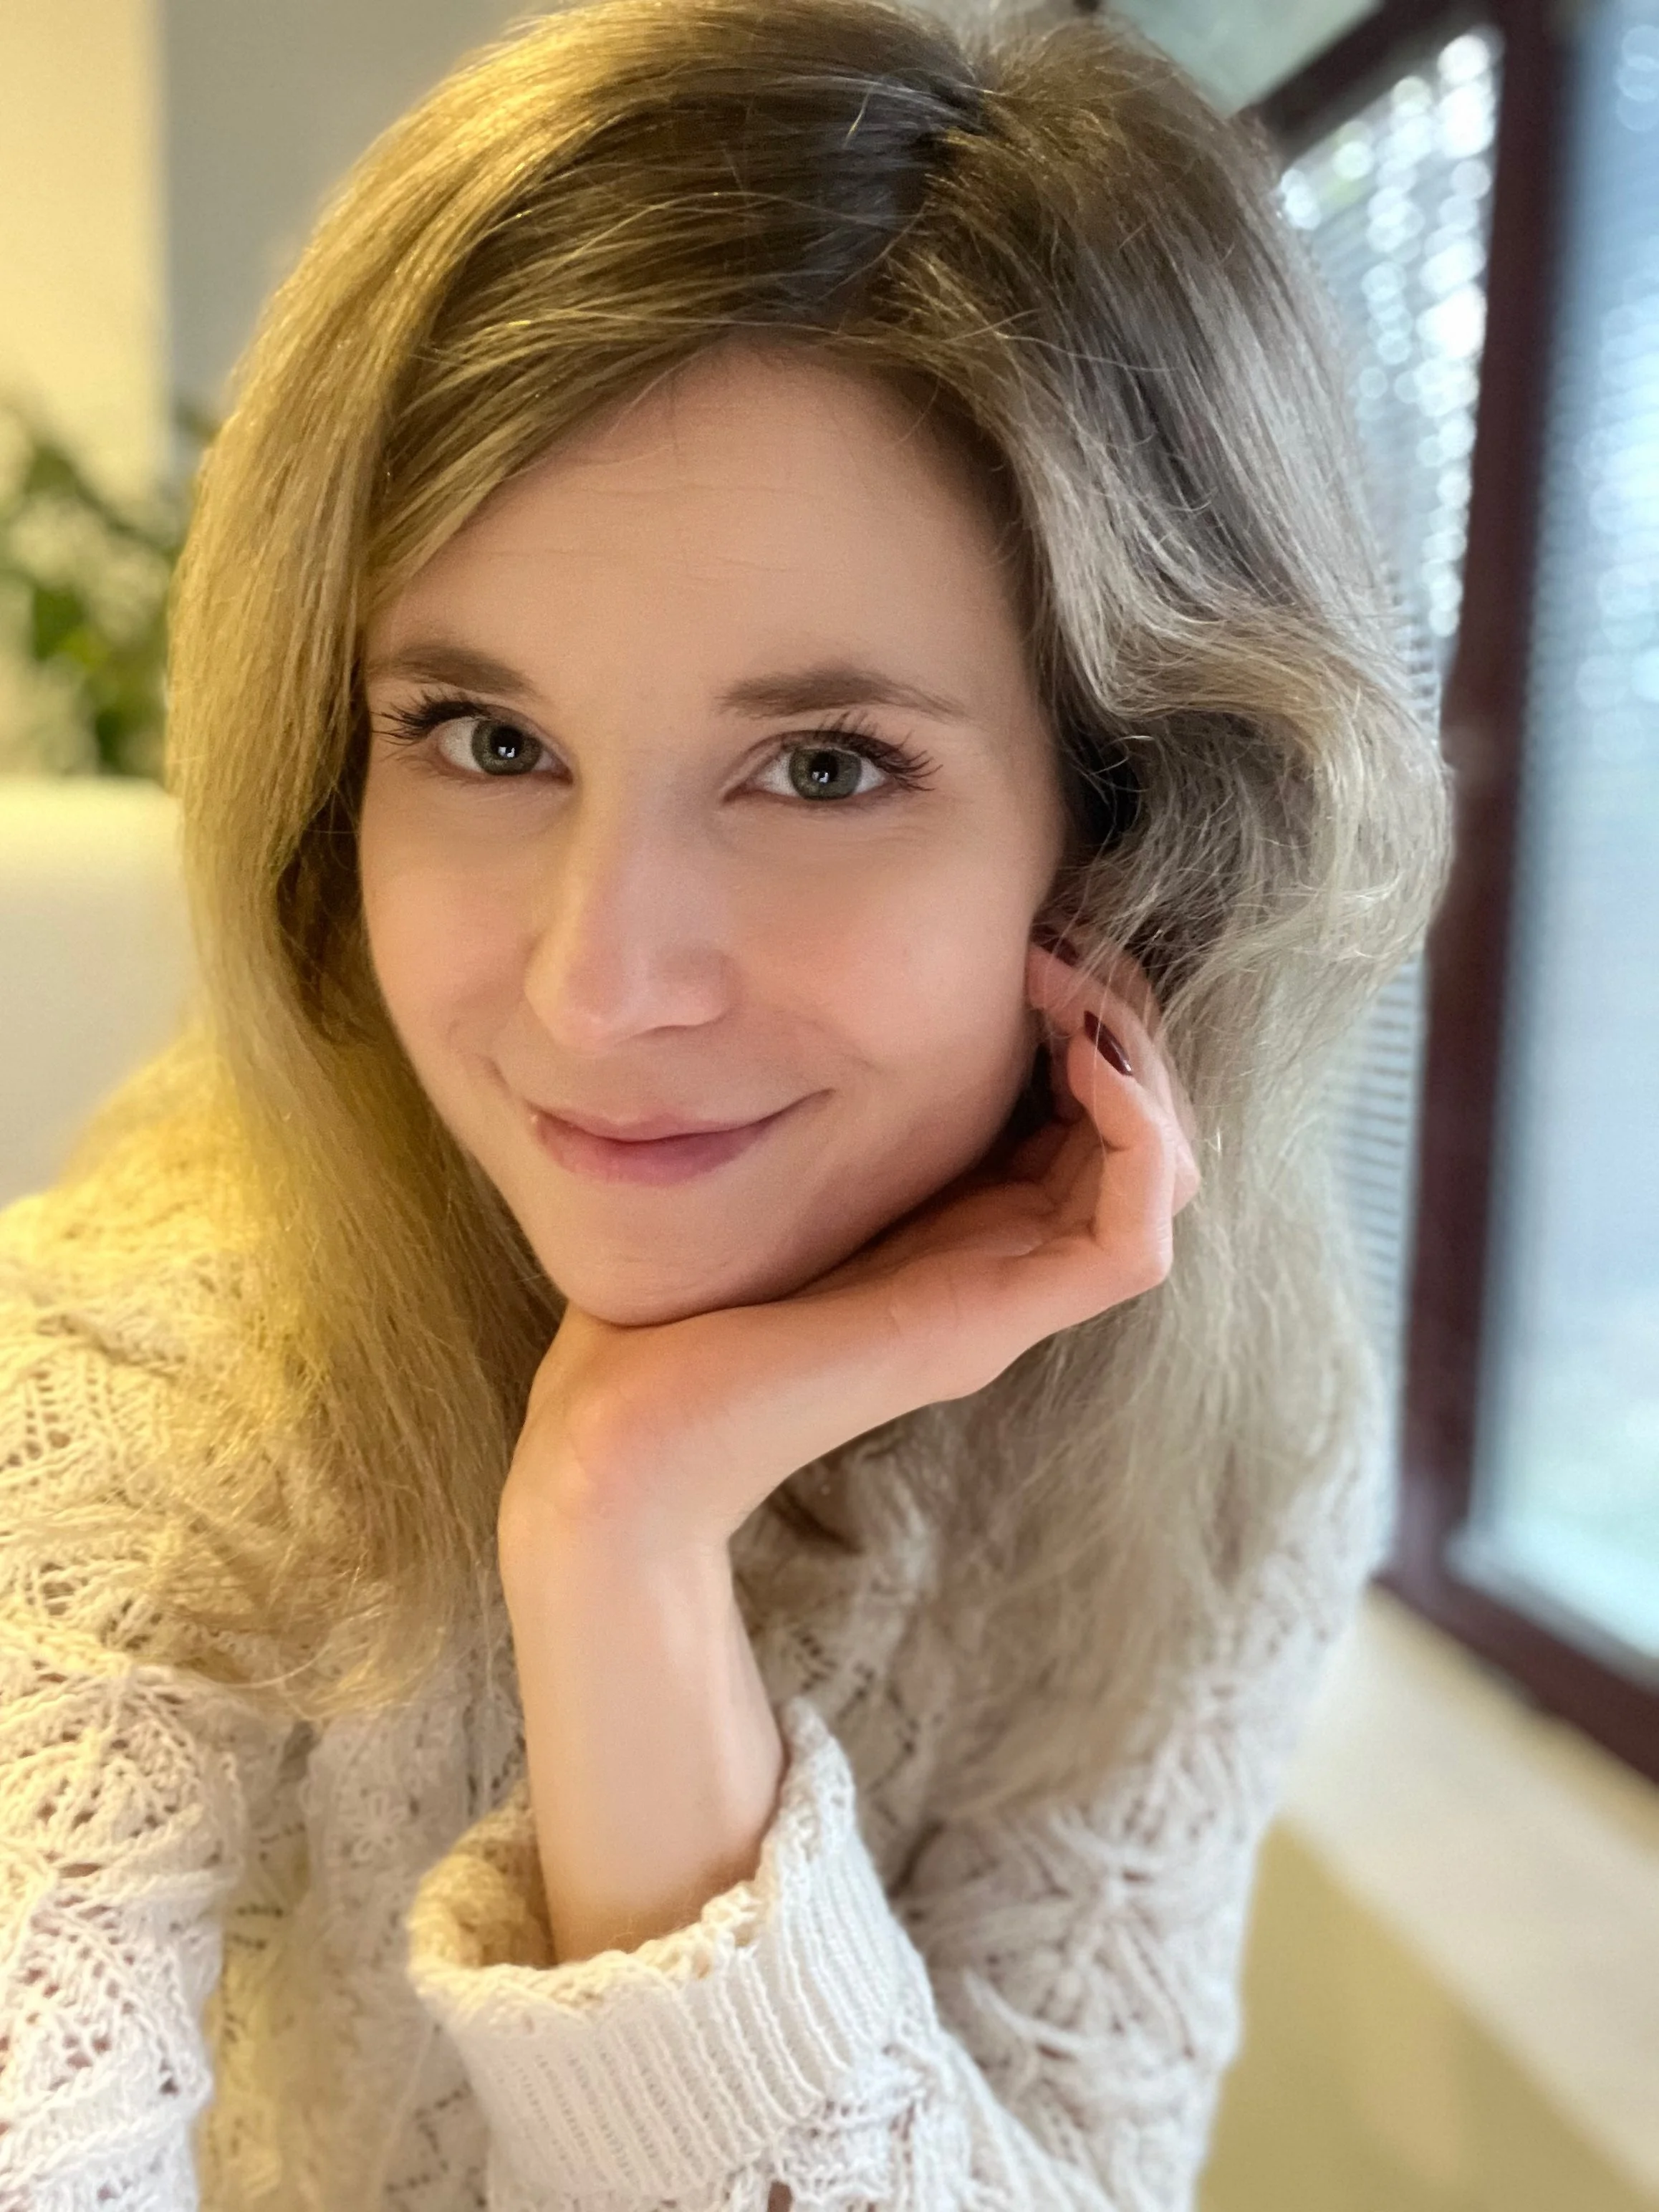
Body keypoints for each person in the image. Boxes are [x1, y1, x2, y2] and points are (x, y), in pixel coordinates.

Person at [0, 0, 1452, 2205]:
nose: (596, 988)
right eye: (487, 738)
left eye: (826, 767)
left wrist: (623, 1544)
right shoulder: (115, 1393)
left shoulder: (1223, 1442)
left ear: (1132, 830)